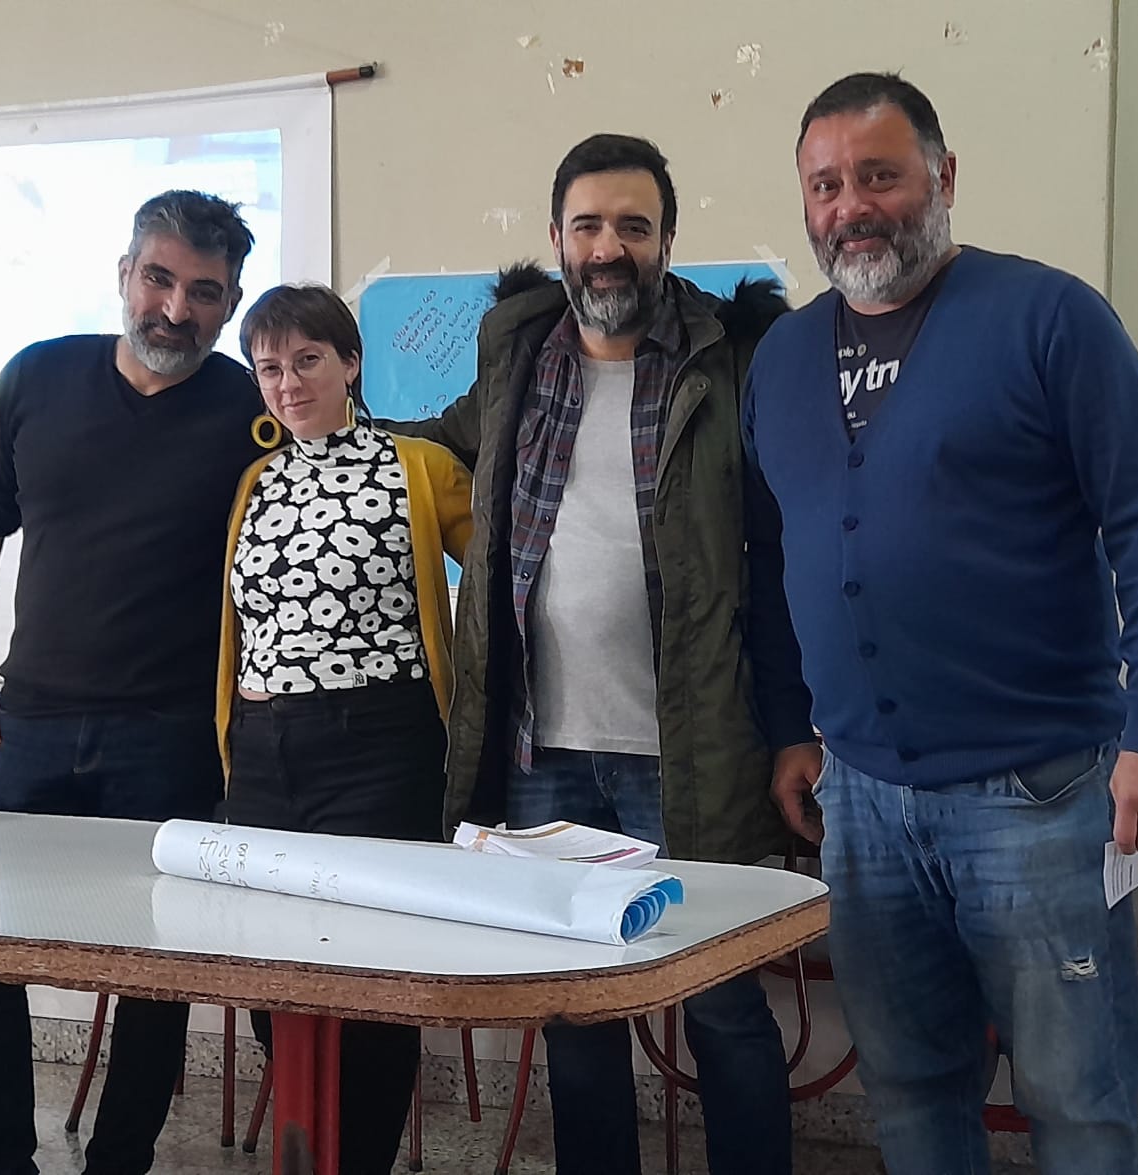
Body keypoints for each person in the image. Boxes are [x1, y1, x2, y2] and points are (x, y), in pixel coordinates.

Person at [743, 72, 1138, 1175]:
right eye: (826, 185)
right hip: (861, 799)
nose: (851, 206)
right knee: (909, 1087)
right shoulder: (781, 358)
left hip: (1038, 795)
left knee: (1077, 1098)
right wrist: (791, 726)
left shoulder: (1050, 318)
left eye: (879, 175)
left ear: (943, 176)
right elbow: (773, 560)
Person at [390, 133, 819, 1175]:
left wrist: (794, 728)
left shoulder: (728, 363)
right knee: (578, 1014)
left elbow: (778, 562)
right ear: (556, 237)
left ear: (667, 240)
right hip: (544, 759)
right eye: (588, 225)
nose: (608, 247)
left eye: (633, 225)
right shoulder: (516, 358)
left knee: (722, 1004)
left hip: (693, 753)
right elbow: (421, 445)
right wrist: (300, 407)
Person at [0, 189, 261, 1175]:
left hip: (173, 738)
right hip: (28, 725)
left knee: (156, 973)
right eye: (158, 278)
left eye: (204, 292)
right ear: (125, 274)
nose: (175, 308)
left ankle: (121, 1161)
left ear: (230, 303)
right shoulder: (36, 376)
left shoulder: (252, 407)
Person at [216, 282, 472, 1174]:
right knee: (268, 977)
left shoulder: (418, 467)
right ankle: (306, 1150)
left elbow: (508, 580)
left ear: (351, 363)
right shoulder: (255, 481)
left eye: (308, 361)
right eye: (270, 368)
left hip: (381, 745)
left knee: (370, 979)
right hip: (263, 753)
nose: (288, 384)